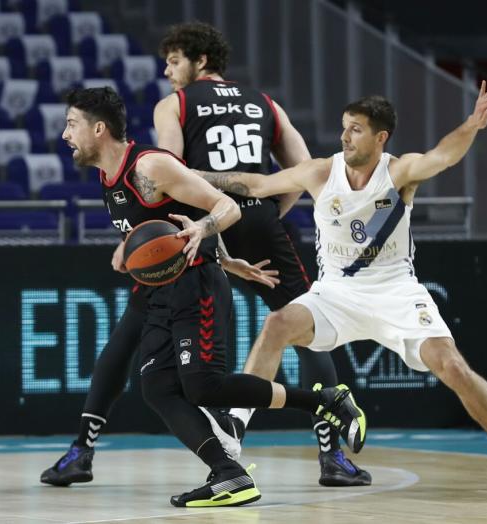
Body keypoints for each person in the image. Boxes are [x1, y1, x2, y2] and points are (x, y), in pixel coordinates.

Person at [200, 82, 487, 491]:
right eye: (344, 128)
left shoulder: (398, 172)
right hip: (335, 294)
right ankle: (235, 431)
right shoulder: (321, 171)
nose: (345, 136)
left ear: (380, 137)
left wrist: (472, 125)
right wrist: (191, 174)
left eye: (356, 129)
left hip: (396, 291)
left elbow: (444, 156)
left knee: (453, 366)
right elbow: (256, 185)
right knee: (277, 323)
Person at [43, 86, 367, 507]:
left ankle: (326, 401)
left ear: (98, 129)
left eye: (72, 124)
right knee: (157, 387)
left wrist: (208, 240)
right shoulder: (109, 176)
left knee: (203, 387)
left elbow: (224, 208)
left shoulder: (150, 166)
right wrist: (226, 258)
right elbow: (179, 226)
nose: (65, 134)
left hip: (196, 288)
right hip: (164, 290)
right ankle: (228, 474)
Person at [151, 21, 369, 487]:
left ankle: (227, 439)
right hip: (264, 221)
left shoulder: (175, 104)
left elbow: (167, 173)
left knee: (189, 350)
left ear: (200, 60)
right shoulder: (265, 102)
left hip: (205, 223)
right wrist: (265, 211)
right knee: (309, 329)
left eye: (173, 61)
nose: (167, 71)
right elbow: (305, 167)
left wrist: (211, 221)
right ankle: (332, 455)